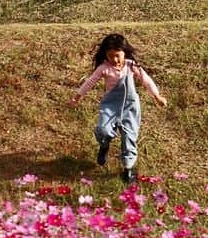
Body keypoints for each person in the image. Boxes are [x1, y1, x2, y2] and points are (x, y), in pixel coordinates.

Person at [70, 33, 168, 183]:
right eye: (110, 56)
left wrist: (157, 96)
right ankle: (104, 145)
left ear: (124, 53)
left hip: (130, 106)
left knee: (129, 137)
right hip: (110, 106)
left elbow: (146, 80)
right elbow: (90, 82)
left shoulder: (131, 66)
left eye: (117, 55)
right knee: (103, 130)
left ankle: (128, 169)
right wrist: (77, 97)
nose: (114, 60)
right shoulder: (104, 68)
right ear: (105, 55)